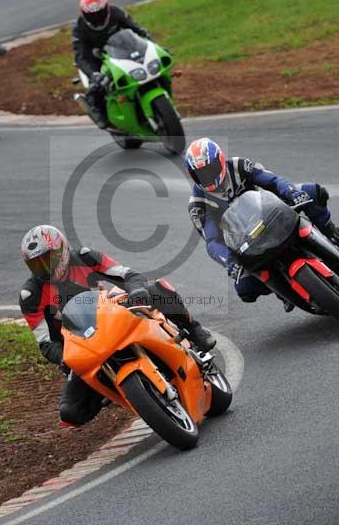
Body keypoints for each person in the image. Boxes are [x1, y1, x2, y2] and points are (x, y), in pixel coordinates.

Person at [19, 225, 215, 426]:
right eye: (37, 265)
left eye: (48, 260)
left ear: (62, 250)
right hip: (81, 348)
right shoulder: (30, 296)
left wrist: (137, 290)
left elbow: (127, 275)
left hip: (113, 315)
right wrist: (63, 358)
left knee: (153, 288)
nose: (45, 269)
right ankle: (109, 392)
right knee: (70, 412)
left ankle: (193, 329)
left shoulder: (86, 257)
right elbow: (44, 343)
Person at [185, 137, 339, 310]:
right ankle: (283, 291)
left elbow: (273, 181)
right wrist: (230, 262)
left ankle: (331, 235)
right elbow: (212, 241)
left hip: (271, 213)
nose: (207, 177)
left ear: (220, 160)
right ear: (192, 175)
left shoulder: (239, 166)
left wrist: (293, 193)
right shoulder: (197, 205)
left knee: (313, 192)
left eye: (210, 169)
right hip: (245, 242)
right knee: (245, 287)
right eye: (201, 174)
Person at [72, 0, 148, 128]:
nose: (97, 18)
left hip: (120, 49)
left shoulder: (116, 12)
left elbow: (135, 28)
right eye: (92, 15)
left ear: (106, 7)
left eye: (99, 13)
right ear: (84, 14)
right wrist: (93, 74)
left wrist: (147, 38)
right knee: (97, 88)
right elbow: (80, 56)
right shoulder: (79, 28)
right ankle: (98, 113)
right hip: (95, 59)